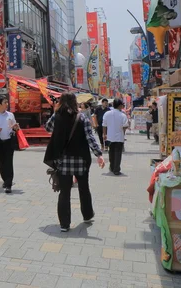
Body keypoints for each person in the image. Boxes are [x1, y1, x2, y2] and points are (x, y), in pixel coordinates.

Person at [44, 93, 105, 232]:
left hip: (63, 160)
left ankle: (64, 224)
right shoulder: (81, 116)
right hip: (81, 160)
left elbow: (47, 128)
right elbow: (90, 137)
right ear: (74, 102)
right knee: (84, 188)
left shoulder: (57, 116)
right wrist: (99, 155)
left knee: (64, 192)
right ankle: (87, 215)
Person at [103, 98, 129, 176]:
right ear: (120, 105)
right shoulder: (122, 115)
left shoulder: (107, 114)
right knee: (118, 153)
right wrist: (123, 132)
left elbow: (104, 125)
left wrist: (104, 134)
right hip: (119, 137)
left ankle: (112, 166)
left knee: (111, 152)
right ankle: (116, 169)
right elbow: (125, 126)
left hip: (109, 136)